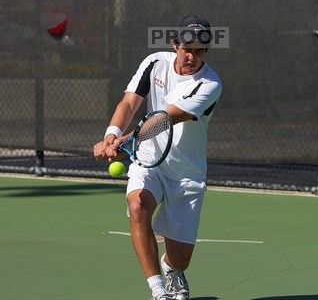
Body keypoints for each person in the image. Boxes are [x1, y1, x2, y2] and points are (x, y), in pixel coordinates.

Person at [93, 15, 222, 300]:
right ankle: (158, 290)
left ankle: (171, 268)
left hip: (186, 173)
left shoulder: (210, 84)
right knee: (138, 205)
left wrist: (126, 140)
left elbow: (166, 118)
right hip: (149, 161)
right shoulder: (154, 64)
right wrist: (111, 134)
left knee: (180, 259)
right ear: (175, 44)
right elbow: (130, 102)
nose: (192, 56)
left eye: (199, 51)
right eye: (187, 48)